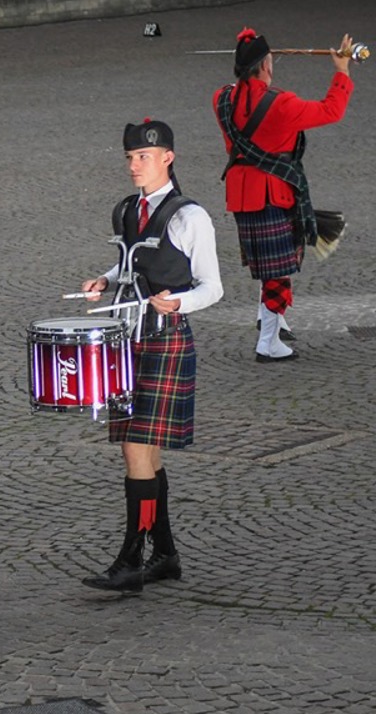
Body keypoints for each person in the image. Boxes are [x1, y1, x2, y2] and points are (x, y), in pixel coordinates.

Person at [80, 120, 222, 593]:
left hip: (164, 338)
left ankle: (131, 559)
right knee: (144, 451)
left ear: (168, 158)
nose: (134, 165)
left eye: (144, 157)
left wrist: (179, 302)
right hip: (127, 339)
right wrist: (105, 280)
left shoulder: (190, 217)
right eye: (130, 157)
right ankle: (164, 555)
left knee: (135, 448)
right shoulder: (126, 210)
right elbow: (129, 264)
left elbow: (213, 287)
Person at [212, 29, 353, 362]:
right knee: (278, 270)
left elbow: (238, 91)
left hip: (242, 195)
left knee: (268, 264)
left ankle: (270, 319)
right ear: (266, 65)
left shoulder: (221, 98)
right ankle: (268, 342)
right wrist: (342, 71)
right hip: (274, 194)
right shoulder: (281, 104)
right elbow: (331, 110)